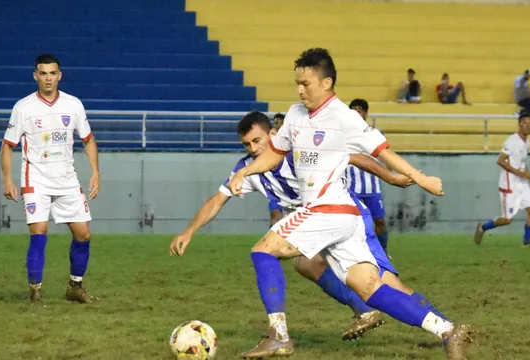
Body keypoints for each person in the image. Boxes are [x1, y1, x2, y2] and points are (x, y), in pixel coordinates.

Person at [227, 48, 472, 359]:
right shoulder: (295, 115)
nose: (300, 90)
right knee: (368, 286)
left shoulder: (345, 118)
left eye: (306, 83)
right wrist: (246, 170)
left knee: (263, 251)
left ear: (327, 82)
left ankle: (279, 337)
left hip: (326, 209)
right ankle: (448, 331)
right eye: (297, 83)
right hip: (344, 216)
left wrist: (419, 178)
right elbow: (275, 152)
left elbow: (383, 151)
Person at [170, 111, 450, 342]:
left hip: (347, 216)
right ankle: (367, 312)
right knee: (306, 265)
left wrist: (390, 177)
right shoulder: (249, 168)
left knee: (387, 284)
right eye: (247, 144)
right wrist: (189, 231)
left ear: (272, 135)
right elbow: (217, 200)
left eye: (257, 141)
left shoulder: (299, 150)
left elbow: (353, 156)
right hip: (313, 223)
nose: (253, 149)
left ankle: (446, 328)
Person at [1, 54, 100, 305]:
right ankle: (35, 291)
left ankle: (75, 288)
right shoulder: (23, 108)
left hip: (67, 179)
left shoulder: (73, 104)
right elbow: (7, 145)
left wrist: (96, 171)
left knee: (83, 234)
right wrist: (8, 179)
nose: (48, 78)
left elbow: (88, 139)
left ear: (60, 75)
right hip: (36, 179)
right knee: (39, 232)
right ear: (36, 76)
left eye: (52, 73)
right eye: (43, 73)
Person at [473, 112, 530, 247]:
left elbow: (522, 164)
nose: (528, 126)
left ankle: (526, 244)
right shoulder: (511, 141)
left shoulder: (526, 143)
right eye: (525, 123)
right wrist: (517, 172)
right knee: (507, 220)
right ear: (520, 124)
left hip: (522, 184)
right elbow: (500, 161)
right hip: (509, 185)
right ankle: (483, 227)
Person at [345, 99, 391, 255]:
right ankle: (354, 255)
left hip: (372, 189)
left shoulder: (376, 135)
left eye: (360, 110)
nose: (357, 112)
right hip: (351, 189)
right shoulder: (341, 135)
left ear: (366, 113)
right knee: (352, 225)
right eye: (354, 110)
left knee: (379, 221)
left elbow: (387, 158)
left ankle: (383, 253)